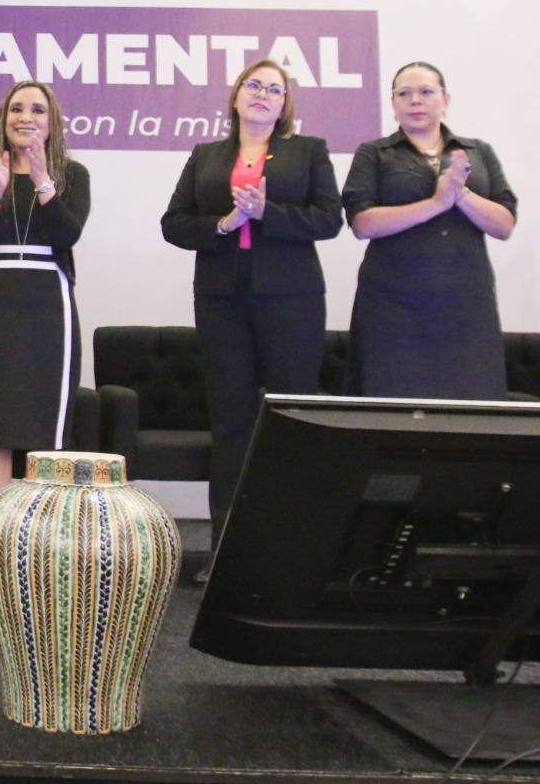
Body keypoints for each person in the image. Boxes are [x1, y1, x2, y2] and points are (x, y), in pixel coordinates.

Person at [161, 59, 341, 548]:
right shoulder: (207, 155)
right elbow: (173, 223)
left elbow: (329, 220)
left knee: (291, 419)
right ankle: (226, 547)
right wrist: (223, 224)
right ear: (237, 95)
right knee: (231, 420)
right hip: (221, 302)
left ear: (284, 105)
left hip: (292, 301)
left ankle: (289, 546)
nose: (263, 94)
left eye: (274, 89)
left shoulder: (308, 151)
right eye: (254, 85)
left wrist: (266, 212)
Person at [341, 62, 517, 399]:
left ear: (445, 99)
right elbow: (362, 223)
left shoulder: (477, 151)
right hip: (392, 304)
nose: (415, 100)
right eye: (404, 94)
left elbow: (504, 225)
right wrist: (436, 203)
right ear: (393, 104)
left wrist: (461, 194)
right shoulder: (374, 153)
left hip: (466, 303)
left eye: (426, 92)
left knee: (470, 404)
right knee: (390, 405)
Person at [0, 80, 90, 500]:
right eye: (16, 109)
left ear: (52, 122)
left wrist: (43, 182)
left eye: (37, 110)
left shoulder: (72, 175)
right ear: (4, 119)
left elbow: (67, 236)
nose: (25, 117)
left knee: (46, 423)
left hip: (50, 303)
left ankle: (41, 530)